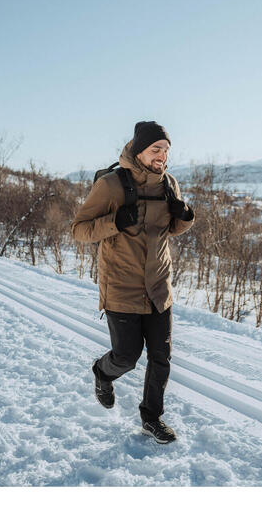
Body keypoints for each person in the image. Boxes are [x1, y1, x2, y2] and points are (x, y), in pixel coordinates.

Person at [70, 121, 195, 443]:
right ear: (139, 150)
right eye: (156, 149)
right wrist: (114, 222)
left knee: (161, 358)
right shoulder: (112, 185)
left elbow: (169, 230)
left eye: (166, 150)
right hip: (122, 286)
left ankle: (151, 418)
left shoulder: (169, 184)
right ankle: (102, 372)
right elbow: (80, 230)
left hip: (158, 287)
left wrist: (184, 218)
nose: (162, 156)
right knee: (125, 356)